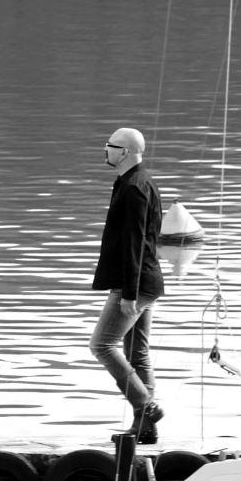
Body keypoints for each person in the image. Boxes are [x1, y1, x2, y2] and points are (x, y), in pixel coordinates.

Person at [90, 127, 165, 444]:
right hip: (145, 279)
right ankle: (144, 429)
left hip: (133, 283)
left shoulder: (134, 187)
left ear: (124, 152)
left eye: (109, 145)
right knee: (138, 353)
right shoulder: (136, 181)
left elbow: (135, 243)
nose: (105, 149)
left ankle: (146, 406)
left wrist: (129, 294)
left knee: (102, 345)